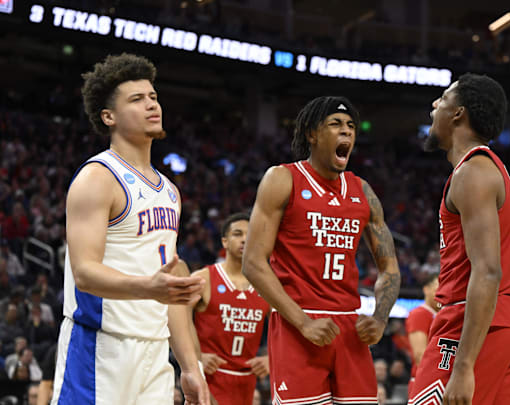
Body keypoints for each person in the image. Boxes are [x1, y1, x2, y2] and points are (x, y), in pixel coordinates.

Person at [51, 53, 209, 405]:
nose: (152, 105)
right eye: (136, 99)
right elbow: (85, 273)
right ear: (109, 116)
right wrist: (148, 287)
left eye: (153, 96)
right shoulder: (98, 177)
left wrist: (189, 366)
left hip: (154, 354)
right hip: (100, 348)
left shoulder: (170, 191)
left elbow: (171, 291)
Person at [243, 96, 401, 404]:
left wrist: (381, 317)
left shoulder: (363, 191)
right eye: (336, 124)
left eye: (351, 126)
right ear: (312, 134)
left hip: (349, 326)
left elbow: (390, 268)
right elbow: (253, 263)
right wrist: (302, 321)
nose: (347, 132)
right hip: (297, 324)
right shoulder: (282, 178)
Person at [409, 73, 510, 405]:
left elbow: (488, 270)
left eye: (443, 99)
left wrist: (463, 366)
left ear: (458, 113)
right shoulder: (489, 169)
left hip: (470, 324)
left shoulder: (472, 172)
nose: (435, 105)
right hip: (505, 324)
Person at [185, 212, 271, 405]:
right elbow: (176, 317)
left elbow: (285, 327)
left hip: (247, 380)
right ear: (224, 242)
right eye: (237, 234)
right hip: (210, 376)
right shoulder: (204, 278)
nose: (244, 240)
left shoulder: (265, 284)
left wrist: (270, 359)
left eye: (250, 235)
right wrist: (196, 358)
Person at [406, 273, 439, 393]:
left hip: (438, 379)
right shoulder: (419, 314)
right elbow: (420, 355)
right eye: (437, 289)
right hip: (425, 381)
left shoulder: (441, 314)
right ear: (426, 290)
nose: (441, 294)